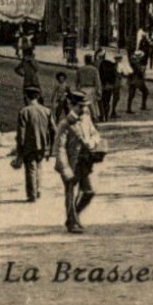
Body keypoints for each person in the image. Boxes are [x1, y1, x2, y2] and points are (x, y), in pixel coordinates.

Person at [55, 90, 103, 234]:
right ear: (71, 105)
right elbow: (60, 148)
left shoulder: (86, 119)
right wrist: (65, 169)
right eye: (80, 107)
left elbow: (95, 134)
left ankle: (73, 215)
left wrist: (92, 142)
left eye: (85, 106)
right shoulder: (65, 124)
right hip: (70, 163)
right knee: (70, 193)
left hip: (84, 162)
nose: (84, 109)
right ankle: (73, 223)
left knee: (89, 192)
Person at [12, 85, 55, 203]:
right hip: (43, 144)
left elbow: (21, 134)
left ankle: (32, 194)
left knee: (31, 168)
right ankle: (38, 189)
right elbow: (53, 130)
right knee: (39, 167)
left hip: (29, 145)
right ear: (37, 97)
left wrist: (19, 150)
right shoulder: (46, 111)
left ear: (26, 97)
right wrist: (51, 147)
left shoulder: (24, 112)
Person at [75, 55, 102, 123]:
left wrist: (77, 89)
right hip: (91, 87)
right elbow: (97, 81)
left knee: (83, 103)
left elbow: (76, 81)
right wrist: (99, 90)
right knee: (92, 104)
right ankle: (94, 117)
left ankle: (83, 117)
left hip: (82, 88)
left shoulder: (80, 69)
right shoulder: (94, 69)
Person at [99, 49, 122, 121]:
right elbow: (115, 76)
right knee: (107, 101)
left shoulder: (102, 65)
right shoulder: (112, 67)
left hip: (103, 85)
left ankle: (102, 115)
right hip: (110, 85)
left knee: (103, 101)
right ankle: (106, 116)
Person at [126, 48, 151, 112]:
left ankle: (129, 108)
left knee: (131, 94)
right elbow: (139, 71)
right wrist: (142, 70)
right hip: (137, 80)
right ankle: (143, 105)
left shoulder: (132, 61)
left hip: (132, 79)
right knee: (145, 91)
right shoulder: (136, 62)